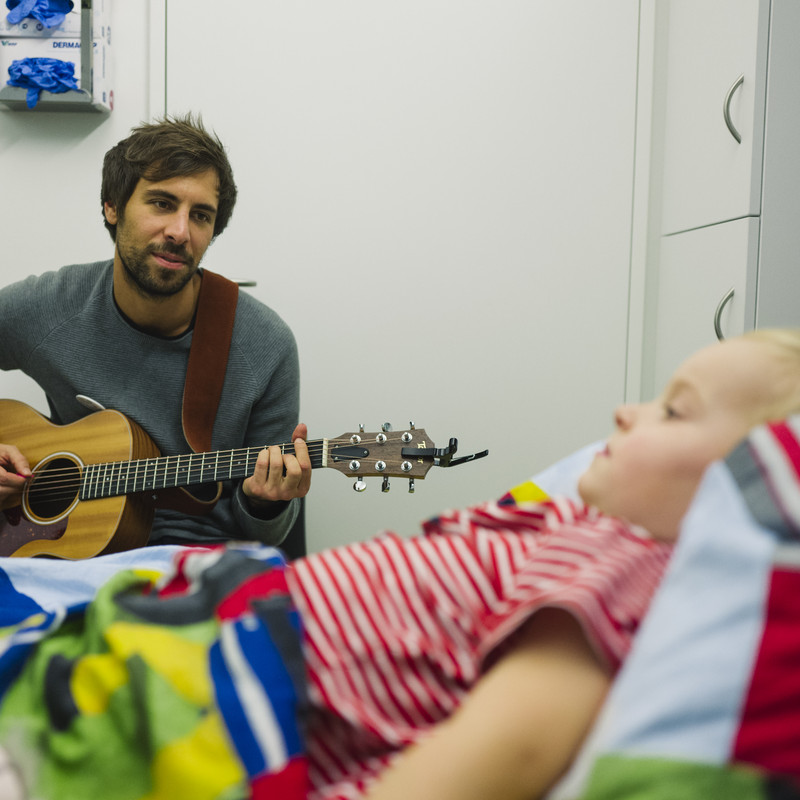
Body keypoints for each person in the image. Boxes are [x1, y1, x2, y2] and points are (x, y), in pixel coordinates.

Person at [0, 331, 799, 800]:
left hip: (215, 680)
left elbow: (512, 746)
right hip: (195, 623)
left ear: (743, 487)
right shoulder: (582, 530)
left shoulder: (622, 571)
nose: (627, 411)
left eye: (673, 408)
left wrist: (269, 505)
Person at [0, 114, 311, 555]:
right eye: (162, 204)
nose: (180, 232)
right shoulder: (52, 307)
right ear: (112, 206)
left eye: (200, 215)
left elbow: (268, 535)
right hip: (66, 558)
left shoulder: (266, 346)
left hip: (207, 567)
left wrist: (265, 503)